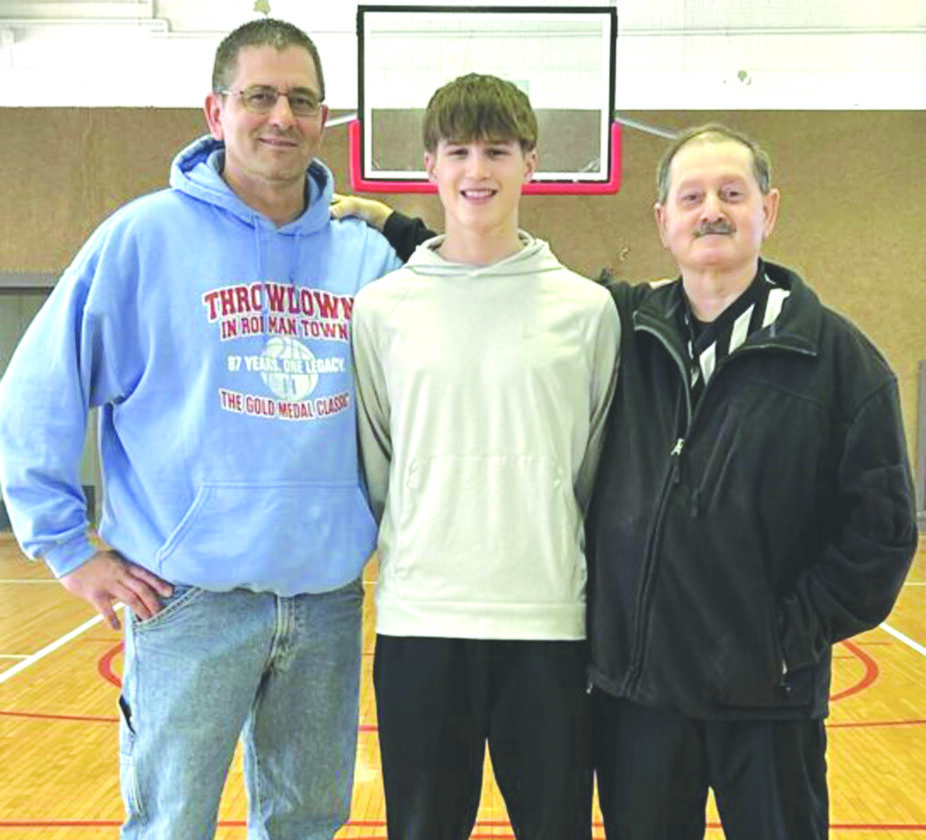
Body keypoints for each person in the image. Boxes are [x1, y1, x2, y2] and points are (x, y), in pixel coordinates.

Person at [0, 18, 400, 840]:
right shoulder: (141, 238)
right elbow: (36, 392)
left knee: (307, 825)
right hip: (186, 601)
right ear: (216, 112)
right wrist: (67, 549)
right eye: (259, 96)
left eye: (301, 100)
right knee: (171, 826)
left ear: (324, 118)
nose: (281, 116)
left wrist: (399, 225)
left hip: (325, 601)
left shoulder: (366, 258)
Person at [584, 124, 918, 839]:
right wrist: (401, 228)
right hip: (641, 700)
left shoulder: (842, 362)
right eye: (692, 196)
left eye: (731, 194)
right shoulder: (620, 334)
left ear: (768, 209)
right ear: (663, 220)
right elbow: (512, 279)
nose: (712, 210)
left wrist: (786, 639)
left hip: (772, 699)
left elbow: (883, 534)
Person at [349, 73, 620, 840]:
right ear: (429, 166)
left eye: (497, 151)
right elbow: (379, 464)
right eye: (459, 151)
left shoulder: (586, 311)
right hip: (421, 621)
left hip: (549, 622)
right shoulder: (381, 309)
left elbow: (590, 470)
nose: (478, 170)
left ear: (530, 163)